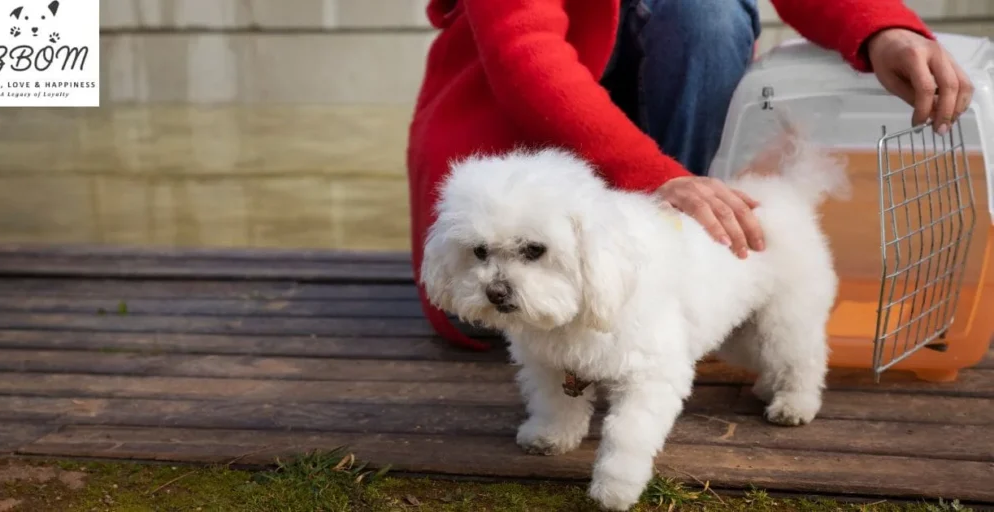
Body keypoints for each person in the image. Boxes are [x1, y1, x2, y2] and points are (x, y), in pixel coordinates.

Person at [406, 0, 975, 351]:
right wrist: (657, 175)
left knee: (705, 9)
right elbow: (524, 50)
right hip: (516, 134)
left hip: (650, 181)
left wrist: (883, 32)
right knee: (492, 311)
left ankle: (682, 286)